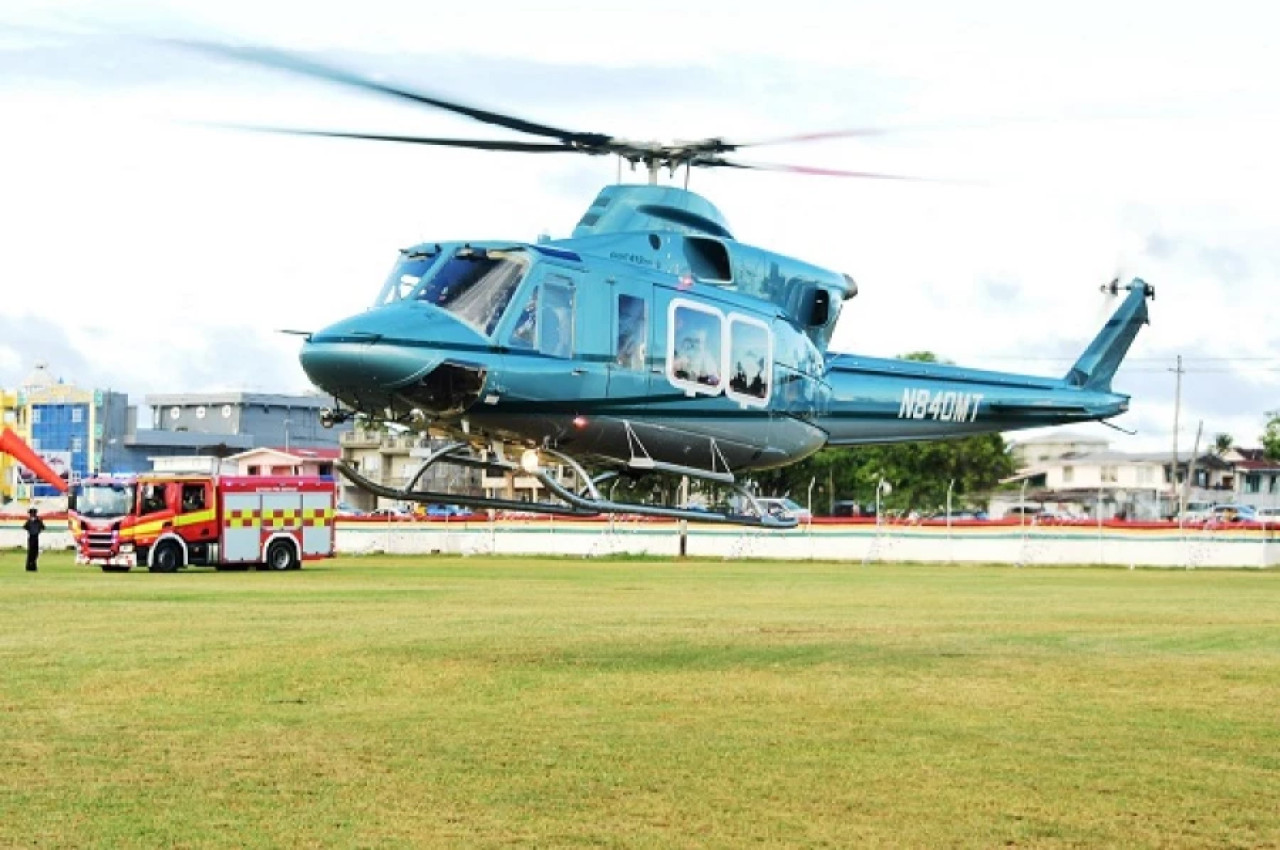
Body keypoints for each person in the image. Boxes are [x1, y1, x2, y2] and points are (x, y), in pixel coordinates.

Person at [23, 507, 45, 572]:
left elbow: (42, 527)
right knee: (30, 552)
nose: (32, 514)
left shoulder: (38, 520)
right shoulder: (29, 521)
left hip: (35, 537)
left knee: (35, 552)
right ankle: (28, 567)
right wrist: (31, 531)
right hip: (31, 537)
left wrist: (38, 531)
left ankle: (33, 566)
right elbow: (25, 527)